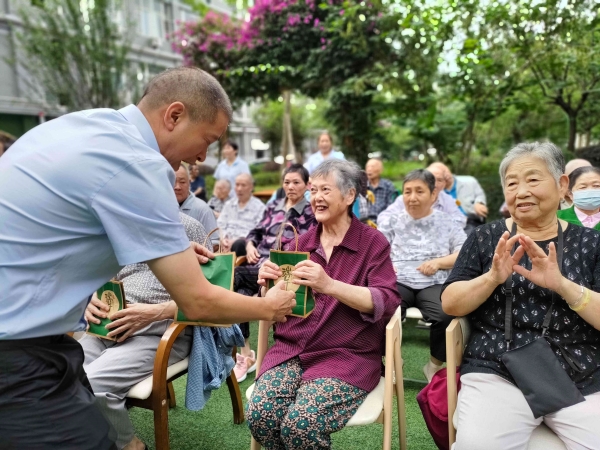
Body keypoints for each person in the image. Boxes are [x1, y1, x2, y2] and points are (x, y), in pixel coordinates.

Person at [0, 67, 295, 449]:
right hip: (17, 352)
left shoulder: (84, 126)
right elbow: (197, 300)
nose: (203, 157)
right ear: (174, 116)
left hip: (38, 340)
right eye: (206, 140)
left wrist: (170, 247)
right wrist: (268, 308)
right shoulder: (139, 162)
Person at [441, 142, 600, 449]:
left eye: (533, 179)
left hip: (580, 372)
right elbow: (450, 302)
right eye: (512, 183)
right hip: (498, 370)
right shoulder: (487, 237)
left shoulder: (592, 243)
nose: (521, 191)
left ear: (562, 184)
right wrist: (491, 279)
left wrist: (563, 285)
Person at [246, 159, 400, 449]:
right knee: (261, 415)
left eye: (325, 190)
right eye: (313, 190)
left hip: (346, 355)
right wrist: (269, 285)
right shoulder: (299, 244)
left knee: (300, 424)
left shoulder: (372, 243)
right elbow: (278, 306)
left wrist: (328, 285)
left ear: (350, 195)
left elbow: (386, 300)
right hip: (291, 350)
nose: (315, 197)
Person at [80, 213, 204, 450]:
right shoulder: (122, 224)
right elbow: (106, 275)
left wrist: (153, 313)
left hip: (160, 331)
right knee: (60, 373)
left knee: (92, 382)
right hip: (110, 325)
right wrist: (93, 298)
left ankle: (132, 446)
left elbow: (211, 299)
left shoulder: (189, 227)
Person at [378, 169, 466, 382]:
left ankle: (433, 364)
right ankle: (393, 360)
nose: (412, 197)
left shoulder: (447, 222)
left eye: (419, 191)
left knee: (445, 315)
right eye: (407, 191)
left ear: (433, 195)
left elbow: (464, 252)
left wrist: (439, 263)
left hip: (434, 283)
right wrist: (386, 265)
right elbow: (376, 249)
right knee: (383, 308)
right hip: (399, 281)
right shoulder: (393, 221)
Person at [234, 164, 317, 382]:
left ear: (307, 185)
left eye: (296, 182)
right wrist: (250, 245)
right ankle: (246, 354)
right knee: (241, 292)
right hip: (256, 265)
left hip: (279, 271)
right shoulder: (274, 207)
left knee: (235, 276)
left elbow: (303, 248)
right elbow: (255, 231)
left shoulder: (310, 213)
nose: (290, 186)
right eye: (287, 182)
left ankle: (219, 326)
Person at [378, 164, 466, 229]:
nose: (434, 183)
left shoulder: (447, 199)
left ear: (444, 184)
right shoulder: (405, 199)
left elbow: (460, 220)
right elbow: (383, 218)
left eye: (439, 180)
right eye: (430, 179)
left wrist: (436, 226)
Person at [429, 162, 487, 232]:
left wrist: (479, 203)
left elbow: (479, 194)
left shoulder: (469, 181)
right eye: (441, 175)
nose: (446, 175)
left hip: (471, 220)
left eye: (445, 171)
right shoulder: (436, 192)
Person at [217, 173, 266, 254]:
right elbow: (220, 225)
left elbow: (258, 232)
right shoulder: (228, 205)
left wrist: (234, 241)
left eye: (243, 185)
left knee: (239, 244)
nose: (239, 188)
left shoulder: (260, 207)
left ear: (251, 187)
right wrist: (224, 239)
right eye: (237, 185)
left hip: (245, 246)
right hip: (225, 244)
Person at [174, 166, 219, 246]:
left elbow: (215, 243)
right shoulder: (159, 208)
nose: (177, 187)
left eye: (182, 182)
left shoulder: (203, 209)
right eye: (173, 181)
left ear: (189, 182)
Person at [557, 166, 600, 231]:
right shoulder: (555, 218)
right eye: (583, 187)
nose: (590, 191)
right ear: (570, 194)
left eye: (596, 186)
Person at [365, 158, 396, 223]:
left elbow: (391, 208)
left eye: (372, 167)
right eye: (367, 167)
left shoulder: (388, 185)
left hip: (382, 222)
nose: (369, 169)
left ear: (381, 170)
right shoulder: (362, 186)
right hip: (363, 223)